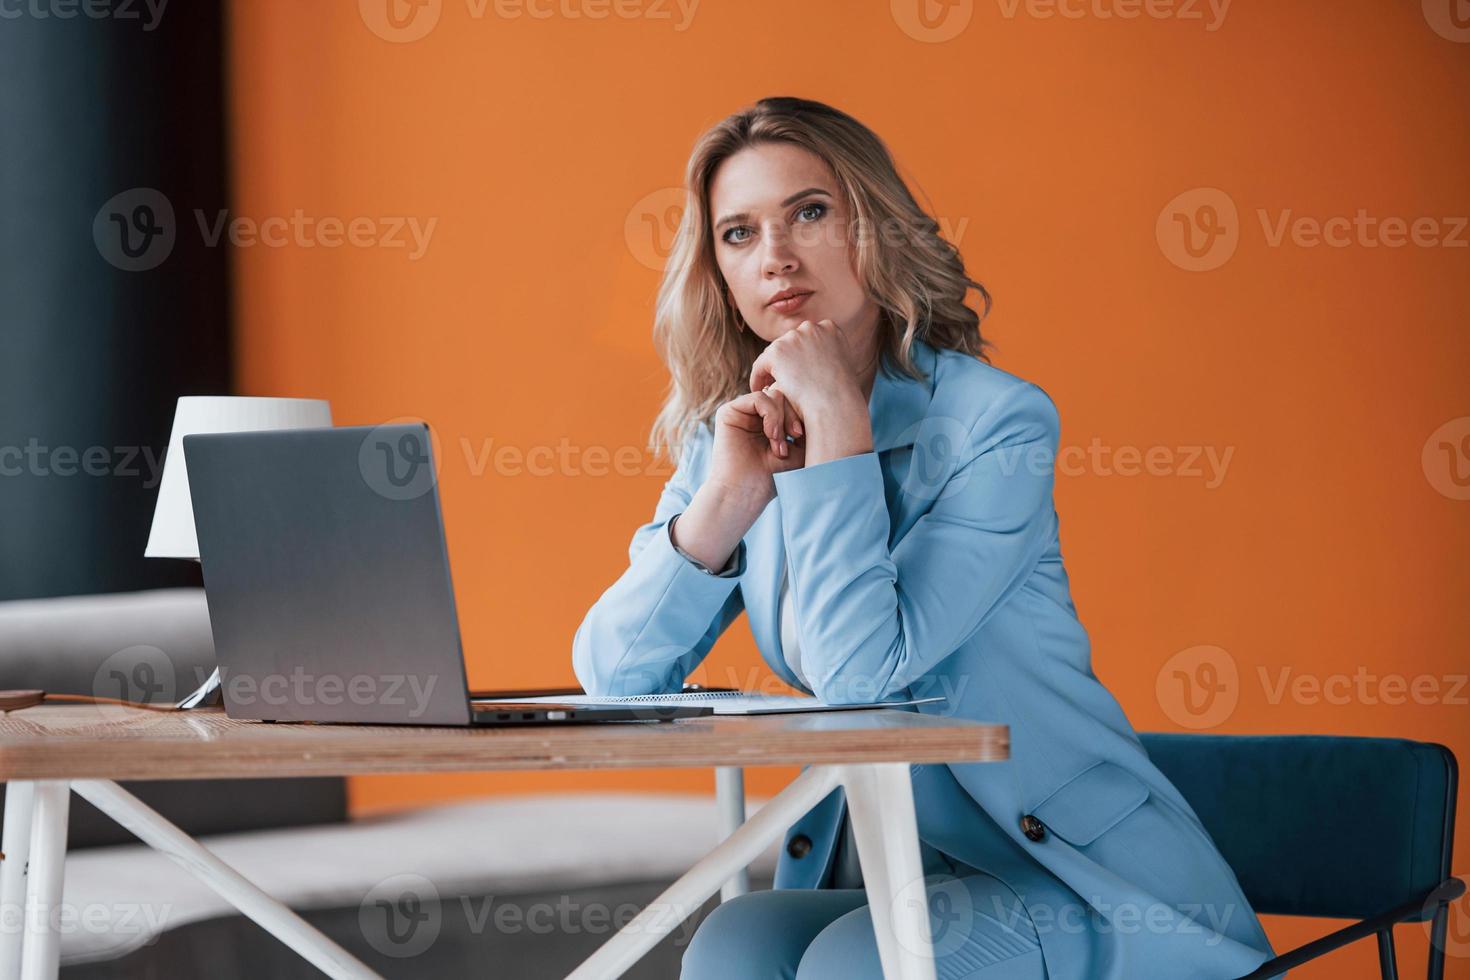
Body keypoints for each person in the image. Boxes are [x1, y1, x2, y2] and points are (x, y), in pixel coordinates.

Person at [572, 96, 1277, 980]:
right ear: (715, 269)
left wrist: (836, 425)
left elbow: (860, 674)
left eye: (811, 213)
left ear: (876, 225)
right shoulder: (736, 437)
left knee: (853, 963)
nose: (777, 257)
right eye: (738, 234)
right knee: (735, 942)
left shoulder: (999, 424)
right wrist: (723, 503)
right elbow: (613, 677)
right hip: (909, 869)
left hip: (1076, 876)